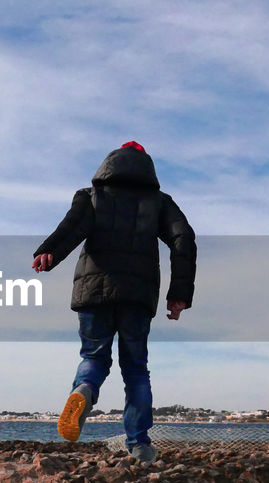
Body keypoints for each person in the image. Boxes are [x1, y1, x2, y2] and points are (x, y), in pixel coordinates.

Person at [31, 141, 196, 461]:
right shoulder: (160, 203)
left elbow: (72, 227)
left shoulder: (91, 197)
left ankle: (85, 391)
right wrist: (178, 295)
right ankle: (139, 444)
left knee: (93, 357)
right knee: (135, 369)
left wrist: (48, 251)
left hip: (94, 292)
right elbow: (183, 239)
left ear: (109, 165)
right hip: (137, 296)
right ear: (147, 169)